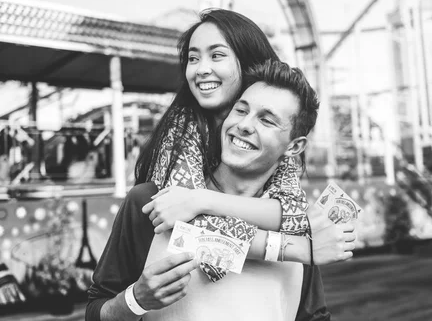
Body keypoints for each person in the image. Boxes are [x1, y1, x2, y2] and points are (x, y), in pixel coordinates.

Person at [86, 60, 356, 321]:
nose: (245, 125)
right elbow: (97, 311)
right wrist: (135, 300)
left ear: (294, 147)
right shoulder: (152, 201)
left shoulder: (298, 228)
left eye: (267, 120)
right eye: (241, 110)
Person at [134, 9, 311, 282]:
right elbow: (197, 239)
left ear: (248, 62)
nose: (202, 69)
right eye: (193, 58)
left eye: (216, 55)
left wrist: (203, 200)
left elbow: (295, 217)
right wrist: (296, 249)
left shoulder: (280, 148)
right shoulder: (180, 133)